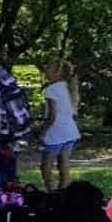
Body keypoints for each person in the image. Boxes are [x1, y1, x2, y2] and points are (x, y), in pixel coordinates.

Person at [38, 61, 81, 192]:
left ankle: (52, 194)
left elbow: (52, 116)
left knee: (46, 167)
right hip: (70, 131)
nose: (45, 69)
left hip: (56, 133)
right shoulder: (67, 87)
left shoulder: (51, 89)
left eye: (49, 67)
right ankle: (64, 195)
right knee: (64, 166)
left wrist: (43, 131)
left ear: (58, 73)